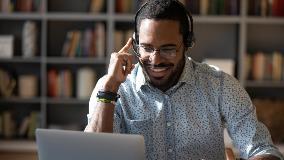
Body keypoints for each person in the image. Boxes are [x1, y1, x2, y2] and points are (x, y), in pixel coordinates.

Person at [84, 0, 284, 159]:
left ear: (188, 43)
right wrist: (109, 89)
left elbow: (263, 149)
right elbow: (90, 154)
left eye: (168, 49)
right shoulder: (112, 89)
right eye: (147, 48)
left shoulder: (220, 85)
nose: (156, 59)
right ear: (135, 44)